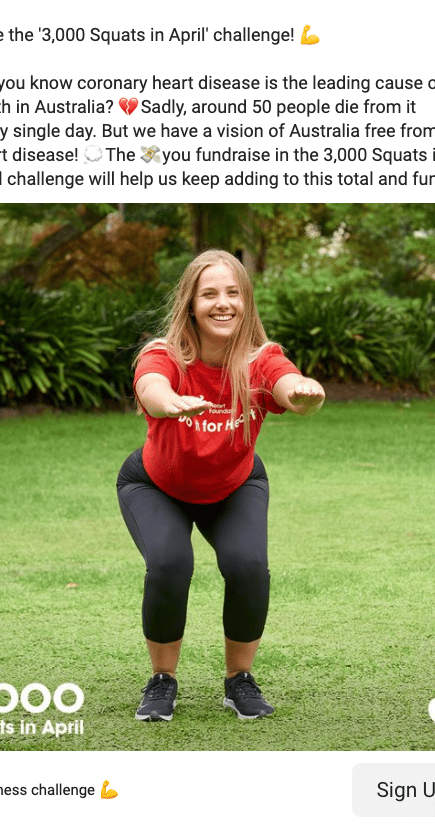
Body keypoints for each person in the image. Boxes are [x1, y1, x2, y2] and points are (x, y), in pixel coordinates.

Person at [116, 249, 325, 721]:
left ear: (246, 301)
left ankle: (239, 680)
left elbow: (287, 383)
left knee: (248, 565)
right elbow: (151, 385)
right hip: (155, 485)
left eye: (233, 293)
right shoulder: (164, 353)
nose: (223, 303)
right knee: (170, 563)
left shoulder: (261, 360)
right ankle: (162, 680)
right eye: (209, 294)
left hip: (234, 484)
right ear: (191, 304)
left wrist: (304, 393)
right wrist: (169, 401)